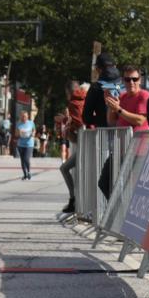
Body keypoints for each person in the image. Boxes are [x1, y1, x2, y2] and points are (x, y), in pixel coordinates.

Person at [83, 53, 123, 199]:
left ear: (98, 69)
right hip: (128, 135)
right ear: (115, 66)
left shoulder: (96, 87)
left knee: (104, 180)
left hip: (104, 138)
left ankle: (110, 212)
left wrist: (101, 119)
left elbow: (86, 117)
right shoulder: (125, 83)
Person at [57, 81, 88, 215]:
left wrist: (66, 122)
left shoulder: (74, 103)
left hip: (85, 143)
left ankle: (74, 200)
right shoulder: (86, 98)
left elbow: (81, 123)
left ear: (68, 92)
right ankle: (76, 201)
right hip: (88, 141)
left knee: (64, 168)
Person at [106, 65, 149, 131]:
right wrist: (111, 106)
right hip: (122, 139)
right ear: (123, 81)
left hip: (139, 140)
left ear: (140, 80)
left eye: (135, 79)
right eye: (127, 80)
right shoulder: (121, 97)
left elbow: (140, 121)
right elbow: (111, 122)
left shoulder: (144, 95)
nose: (131, 82)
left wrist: (118, 109)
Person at [16, 111, 36, 180]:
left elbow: (34, 130)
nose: (23, 117)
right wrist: (20, 134)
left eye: (25, 116)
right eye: (22, 116)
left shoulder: (31, 123)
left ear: (27, 117)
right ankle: (25, 174)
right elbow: (16, 134)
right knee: (22, 160)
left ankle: (29, 172)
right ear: (20, 116)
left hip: (29, 144)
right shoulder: (18, 124)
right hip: (20, 144)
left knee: (26, 159)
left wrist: (33, 134)